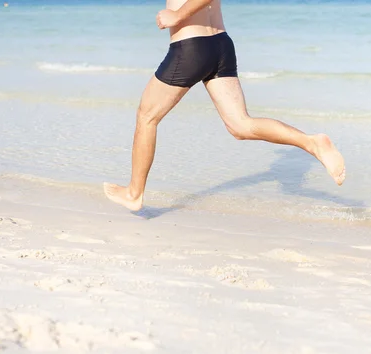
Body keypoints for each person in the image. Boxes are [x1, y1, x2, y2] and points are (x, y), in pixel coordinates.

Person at [103, 0, 346, 211]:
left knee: (147, 117)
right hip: (220, 45)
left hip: (190, 47)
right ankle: (311, 142)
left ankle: (134, 193)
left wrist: (177, 15)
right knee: (240, 125)